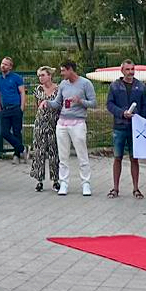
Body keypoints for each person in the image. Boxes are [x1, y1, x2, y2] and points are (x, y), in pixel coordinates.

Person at [49, 59, 98, 197]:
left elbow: (93, 103)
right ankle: (63, 182)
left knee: (82, 154)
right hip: (62, 122)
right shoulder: (63, 84)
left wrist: (80, 101)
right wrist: (47, 103)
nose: (62, 73)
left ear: (70, 69)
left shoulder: (85, 83)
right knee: (63, 155)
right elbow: (58, 102)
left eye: (63, 70)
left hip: (78, 122)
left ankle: (86, 183)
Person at [107, 59, 146, 199]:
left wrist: (140, 119)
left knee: (134, 158)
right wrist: (121, 113)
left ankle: (136, 188)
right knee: (117, 157)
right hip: (119, 127)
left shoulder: (141, 86)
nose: (130, 72)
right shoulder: (114, 86)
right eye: (127, 69)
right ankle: (115, 188)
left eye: (132, 69)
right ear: (122, 70)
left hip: (135, 128)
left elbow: (145, 105)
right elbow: (109, 104)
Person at [30, 66, 61, 192]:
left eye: (43, 75)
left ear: (49, 76)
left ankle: (56, 180)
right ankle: (39, 180)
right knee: (39, 151)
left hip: (54, 122)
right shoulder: (38, 89)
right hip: (41, 123)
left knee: (54, 151)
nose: (40, 78)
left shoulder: (58, 89)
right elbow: (37, 105)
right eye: (39, 76)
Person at [0, 56, 26, 163]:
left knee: (17, 131)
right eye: (2, 63)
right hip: (5, 110)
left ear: (10, 67)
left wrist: (21, 107)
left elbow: (22, 92)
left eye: (6, 64)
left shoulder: (16, 78)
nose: (3, 66)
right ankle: (22, 149)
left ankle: (17, 155)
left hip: (16, 108)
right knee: (4, 132)